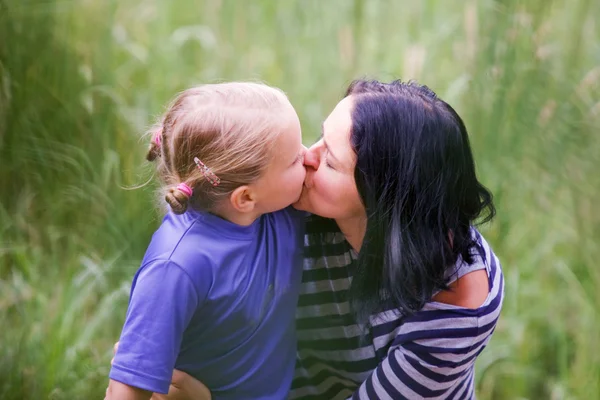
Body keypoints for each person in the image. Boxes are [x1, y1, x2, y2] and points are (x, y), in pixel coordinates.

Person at [116, 79, 504, 400]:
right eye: (319, 136)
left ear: (380, 199)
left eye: (331, 161)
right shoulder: (287, 202)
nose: (307, 158)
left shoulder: (456, 303)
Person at [105, 82, 307, 400]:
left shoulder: (275, 210)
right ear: (245, 197)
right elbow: (126, 392)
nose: (310, 157)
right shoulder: (177, 266)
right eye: (295, 159)